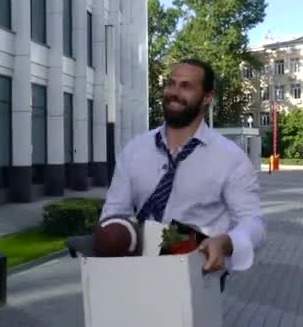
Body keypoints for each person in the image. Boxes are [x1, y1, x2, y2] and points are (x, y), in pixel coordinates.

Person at [100, 58, 266, 275]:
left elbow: (253, 223)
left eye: (186, 86)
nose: (174, 92)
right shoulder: (134, 150)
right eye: (171, 83)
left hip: (197, 279)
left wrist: (225, 242)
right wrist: (112, 237)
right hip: (133, 274)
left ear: (207, 97)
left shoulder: (230, 158)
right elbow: (114, 212)